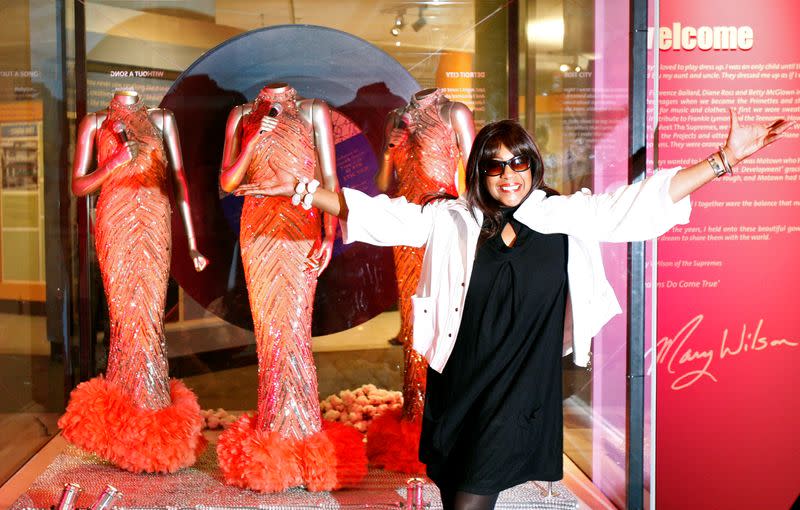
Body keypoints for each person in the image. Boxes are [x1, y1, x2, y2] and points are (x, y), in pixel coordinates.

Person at [236, 109, 791, 509]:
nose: (509, 176)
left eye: (519, 164)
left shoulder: (564, 217)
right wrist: (303, 189)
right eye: (496, 166)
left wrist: (723, 159)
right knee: (455, 488)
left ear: (533, 166)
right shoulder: (453, 219)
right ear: (480, 171)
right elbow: (379, 216)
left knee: (470, 501)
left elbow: (644, 203)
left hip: (520, 389)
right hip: (458, 382)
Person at [217, 82, 366, 492]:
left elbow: (329, 177)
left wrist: (330, 234)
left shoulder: (314, 109)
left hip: (300, 226)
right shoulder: (242, 115)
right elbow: (228, 182)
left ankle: (302, 436)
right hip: (258, 232)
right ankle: (274, 435)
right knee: (270, 334)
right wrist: (252, 139)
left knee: (295, 331)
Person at [59, 89, 209, 473]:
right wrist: (112, 164)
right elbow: (79, 185)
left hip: (156, 218)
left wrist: (191, 242)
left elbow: (178, 180)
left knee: (150, 320)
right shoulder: (95, 122)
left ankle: (153, 420)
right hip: (115, 218)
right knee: (125, 321)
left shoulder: (161, 120)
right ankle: (126, 429)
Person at [369, 87, 475, 473]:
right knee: (414, 323)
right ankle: (415, 418)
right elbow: (384, 184)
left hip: (444, 226)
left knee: (448, 318)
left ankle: (449, 417)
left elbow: (475, 174)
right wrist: (387, 149)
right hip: (404, 228)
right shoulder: (395, 118)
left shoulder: (454, 112)